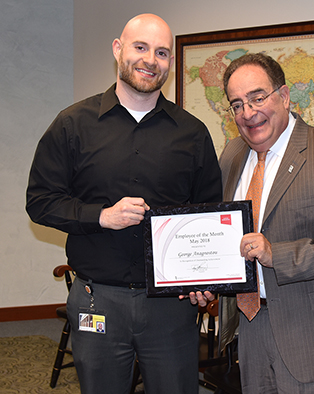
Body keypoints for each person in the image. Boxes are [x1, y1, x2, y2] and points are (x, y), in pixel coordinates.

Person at [26, 14, 222, 394]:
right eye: (141, 47)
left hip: (170, 306)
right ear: (118, 50)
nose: (151, 60)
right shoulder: (72, 125)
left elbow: (209, 216)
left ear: (170, 61)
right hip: (97, 302)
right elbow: (40, 202)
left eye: (162, 52)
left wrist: (205, 280)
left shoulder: (192, 133)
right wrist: (101, 216)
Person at [217, 53, 314, 394]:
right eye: (237, 104)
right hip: (251, 327)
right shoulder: (231, 155)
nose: (248, 112)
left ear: (285, 95)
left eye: (258, 98)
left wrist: (278, 254)